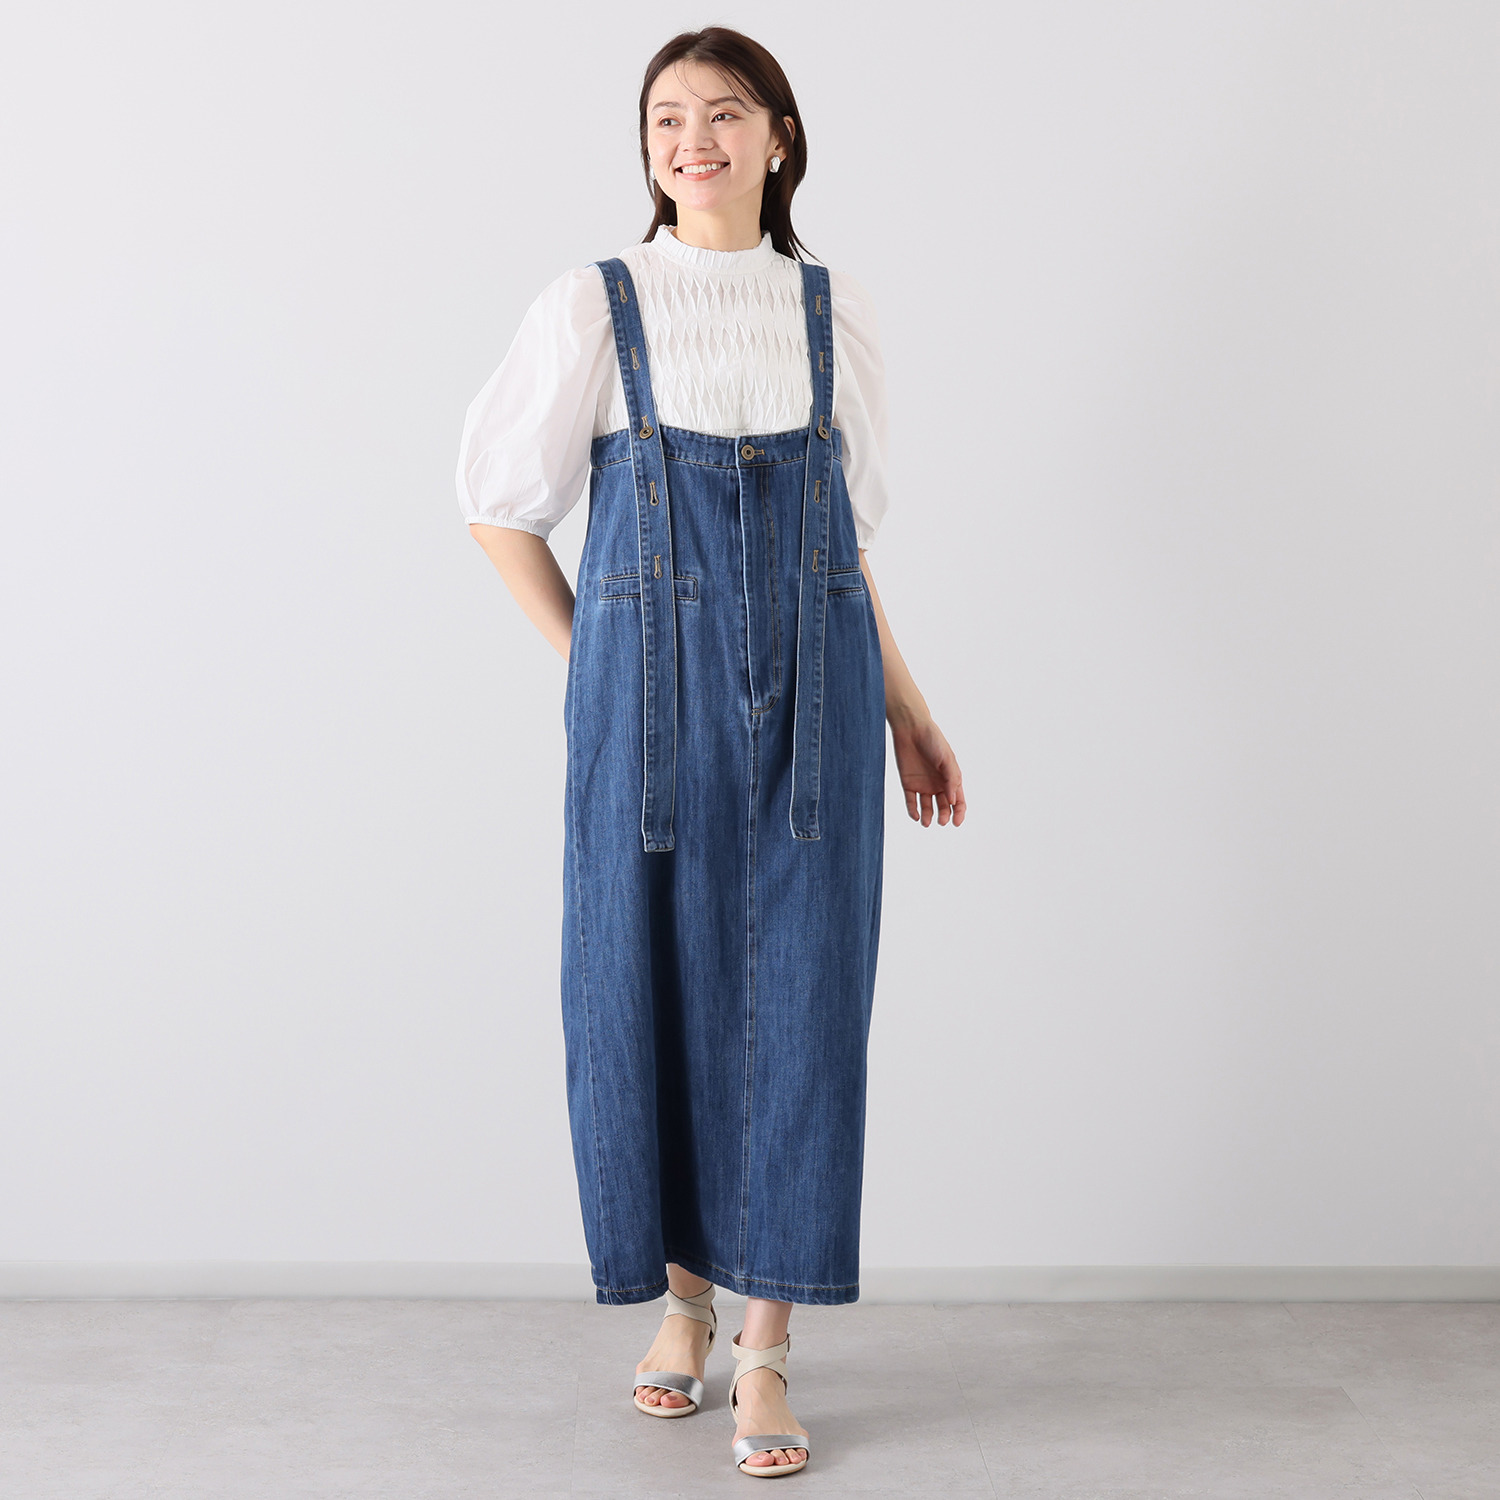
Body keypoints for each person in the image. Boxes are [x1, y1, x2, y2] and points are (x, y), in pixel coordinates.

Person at [455, 27, 964, 1480]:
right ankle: (683, 1308)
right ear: (647, 146)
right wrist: (598, 665)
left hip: (820, 703)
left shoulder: (832, 312)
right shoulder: (594, 304)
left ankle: (768, 1348)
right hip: (647, 714)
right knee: (649, 986)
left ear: (779, 138)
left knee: (804, 1004)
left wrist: (910, 711)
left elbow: (842, 548)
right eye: (668, 117)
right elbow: (496, 505)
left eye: (726, 114)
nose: (694, 140)